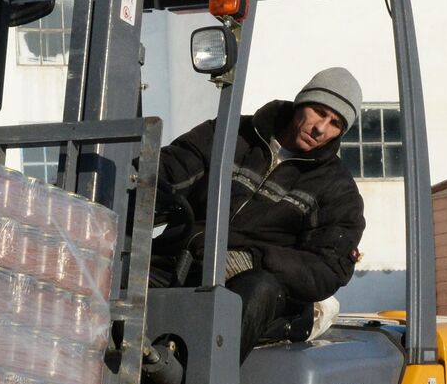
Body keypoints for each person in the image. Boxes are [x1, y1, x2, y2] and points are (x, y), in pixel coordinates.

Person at [152, 67, 366, 365]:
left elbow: (327, 268)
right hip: (185, 260)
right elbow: (169, 173)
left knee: (257, 289)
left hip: (262, 292)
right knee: (113, 275)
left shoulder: (338, 190)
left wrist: (253, 259)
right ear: (301, 102)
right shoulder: (229, 135)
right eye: (319, 112)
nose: (321, 128)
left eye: (335, 124)